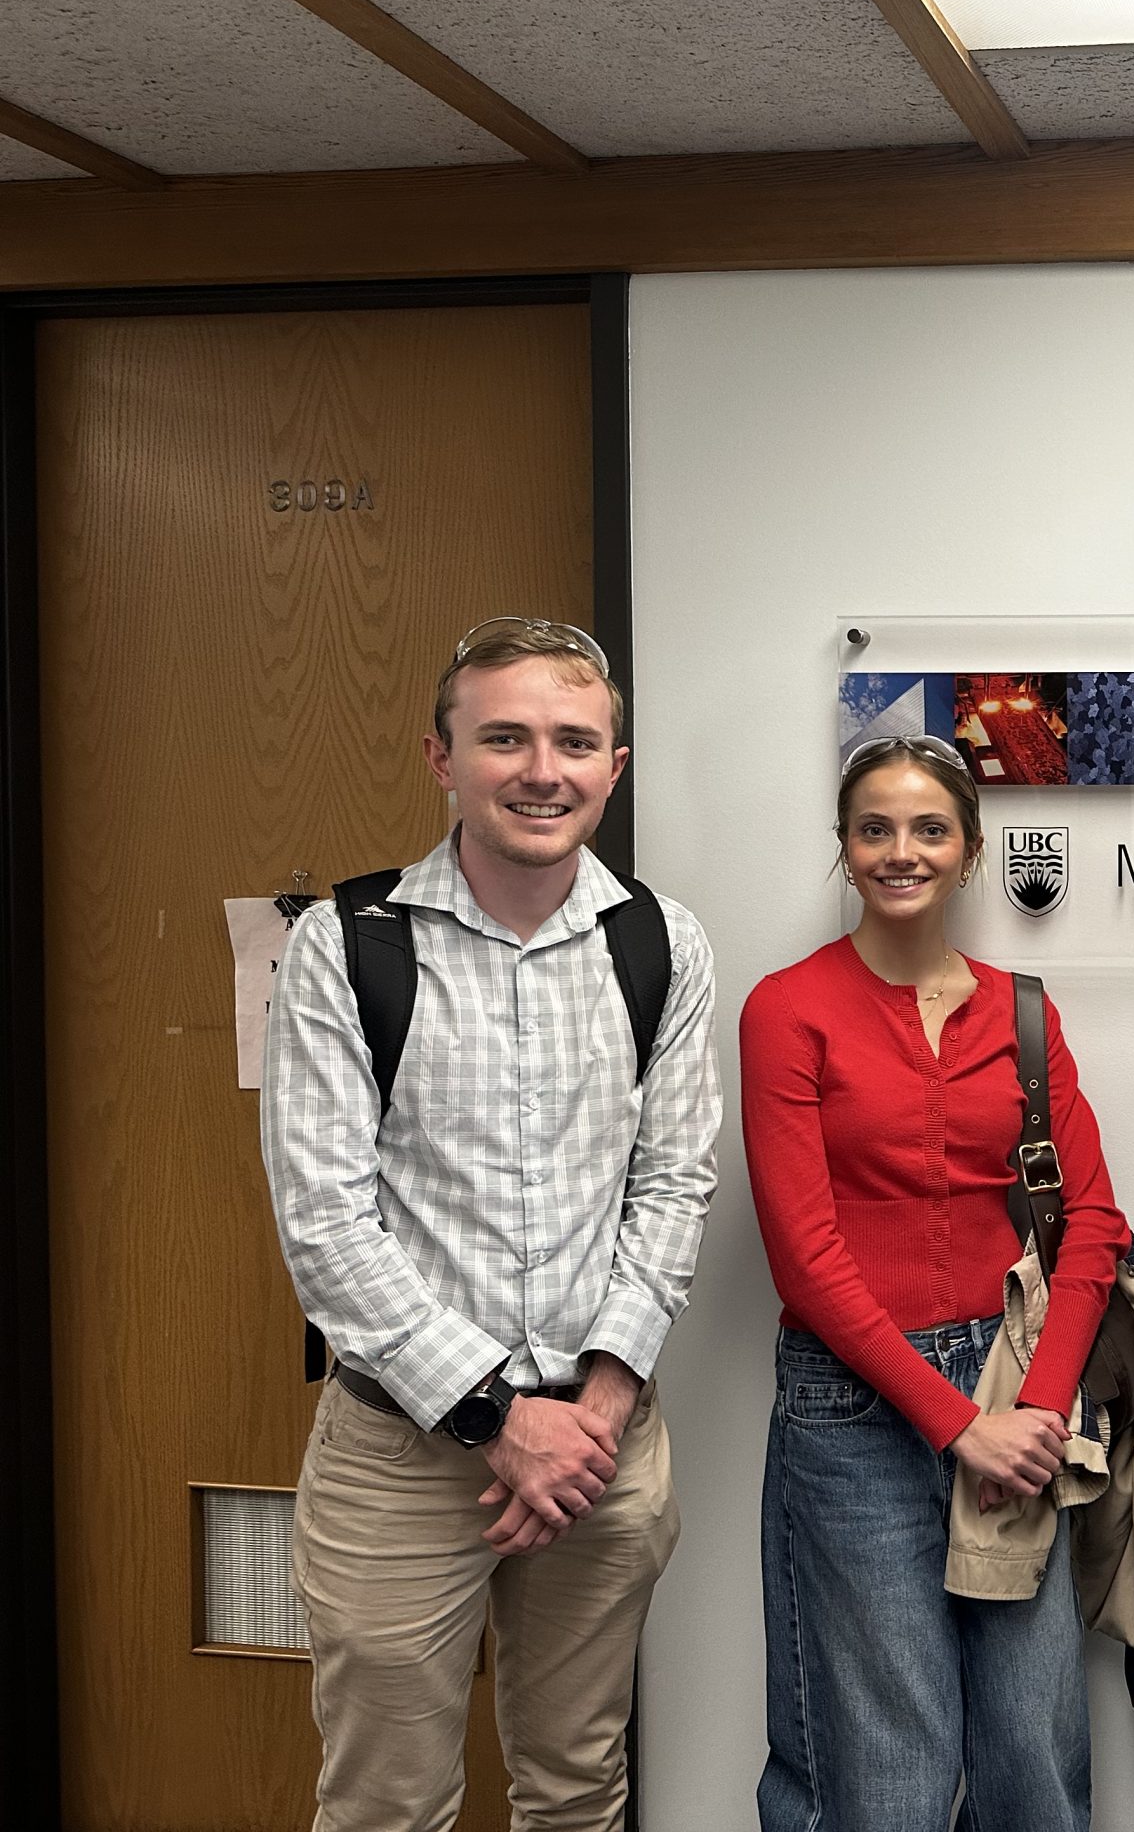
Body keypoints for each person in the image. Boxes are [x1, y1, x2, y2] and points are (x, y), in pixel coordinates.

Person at [263, 617, 720, 1832]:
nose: (542, 770)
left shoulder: (661, 944)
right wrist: (497, 1420)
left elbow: (675, 1185)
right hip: (404, 1459)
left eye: (575, 742)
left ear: (613, 768)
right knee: (385, 1806)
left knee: (577, 1791)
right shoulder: (346, 944)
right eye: (504, 737)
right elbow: (324, 1224)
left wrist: (593, 1420)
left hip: (603, 1449)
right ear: (442, 758)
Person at [740, 733, 1133, 1832]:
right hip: (852, 1409)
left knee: (1033, 1750)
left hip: (1015, 1389)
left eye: (927, 829)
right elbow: (805, 1260)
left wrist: (1039, 1410)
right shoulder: (789, 1009)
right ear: (844, 847)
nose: (898, 851)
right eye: (874, 829)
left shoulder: (1023, 1013)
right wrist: (959, 1428)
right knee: (889, 1765)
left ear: (968, 853)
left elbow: (1093, 1223)